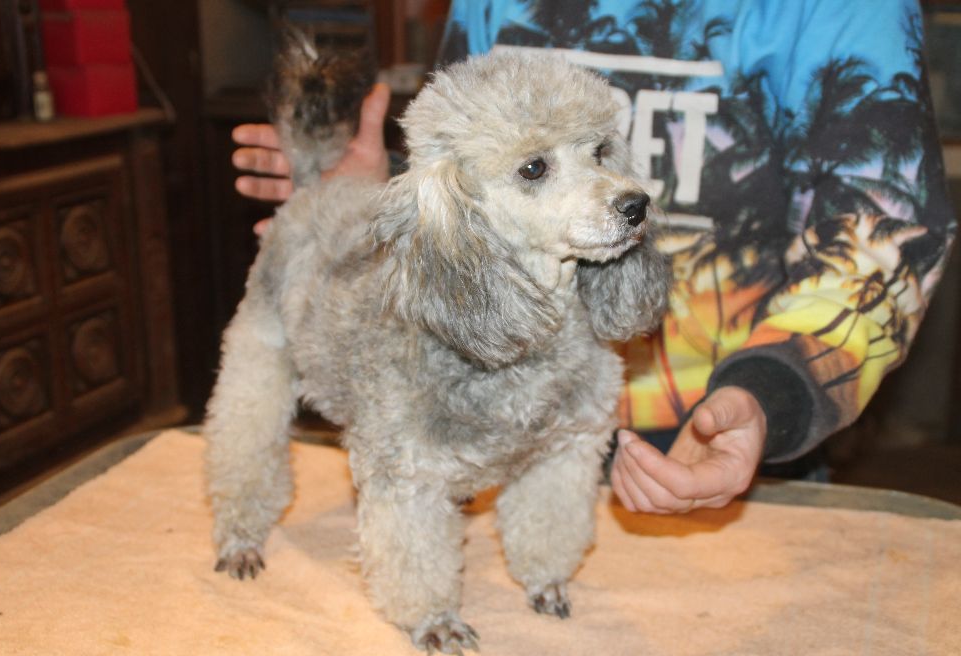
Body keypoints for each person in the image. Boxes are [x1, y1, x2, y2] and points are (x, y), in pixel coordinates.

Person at [232, 0, 956, 515]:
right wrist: (390, 196)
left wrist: (772, 395)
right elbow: (481, 157)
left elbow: (887, 231)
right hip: (484, 428)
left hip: (731, 437)